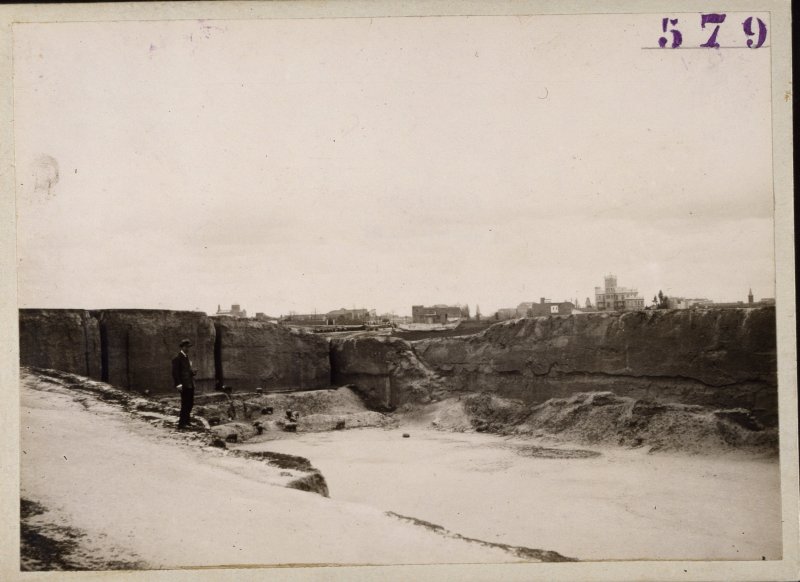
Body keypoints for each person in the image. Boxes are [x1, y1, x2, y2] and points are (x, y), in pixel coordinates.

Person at [171, 339, 196, 430]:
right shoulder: (177, 358)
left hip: (190, 384)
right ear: (182, 347)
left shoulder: (186, 357)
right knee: (185, 404)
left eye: (188, 347)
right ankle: (181, 424)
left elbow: (186, 371)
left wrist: (192, 373)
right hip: (184, 385)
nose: (188, 349)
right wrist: (178, 384)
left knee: (190, 403)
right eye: (186, 347)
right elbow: (175, 373)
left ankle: (187, 421)